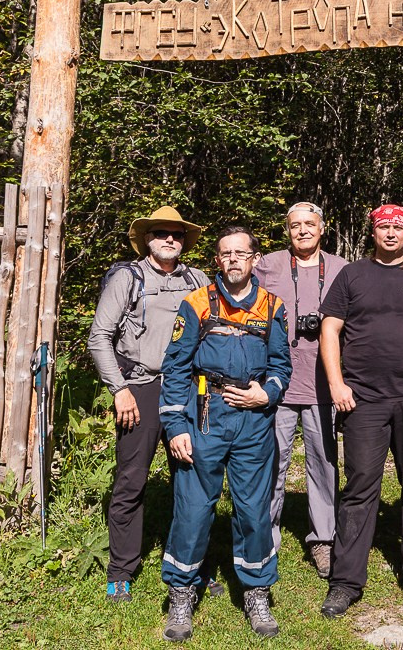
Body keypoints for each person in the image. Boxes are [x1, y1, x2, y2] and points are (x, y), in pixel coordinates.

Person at [158, 226, 292, 641]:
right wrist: (176, 426)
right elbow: (176, 367)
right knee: (194, 507)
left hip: (253, 421)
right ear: (218, 261)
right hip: (205, 416)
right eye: (226, 254)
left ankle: (256, 589)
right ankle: (182, 591)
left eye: (241, 253)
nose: (233, 259)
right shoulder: (197, 303)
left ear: (254, 259)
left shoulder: (273, 306)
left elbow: (282, 366)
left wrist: (265, 394)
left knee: (253, 509)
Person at [320, 204, 403, 618]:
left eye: (398, 227)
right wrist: (337, 384)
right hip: (363, 399)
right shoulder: (352, 275)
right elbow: (330, 329)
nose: (390, 233)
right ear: (372, 232)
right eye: (383, 227)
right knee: (360, 488)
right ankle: (346, 581)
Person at [88, 206, 209, 603]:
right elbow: (99, 337)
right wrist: (119, 388)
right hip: (139, 387)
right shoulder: (128, 277)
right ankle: (121, 570)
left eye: (176, 233)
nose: (169, 239)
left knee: (192, 481)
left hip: (188, 388)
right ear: (147, 239)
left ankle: (191, 567)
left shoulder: (198, 279)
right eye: (160, 232)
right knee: (131, 480)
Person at [254, 202, 348, 578]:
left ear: (322, 228)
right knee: (270, 463)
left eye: (310, 224)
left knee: (324, 465)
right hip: (276, 383)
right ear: (287, 230)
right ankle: (265, 538)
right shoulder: (268, 265)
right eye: (295, 225)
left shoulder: (342, 268)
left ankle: (323, 539)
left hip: (324, 384)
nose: (303, 231)